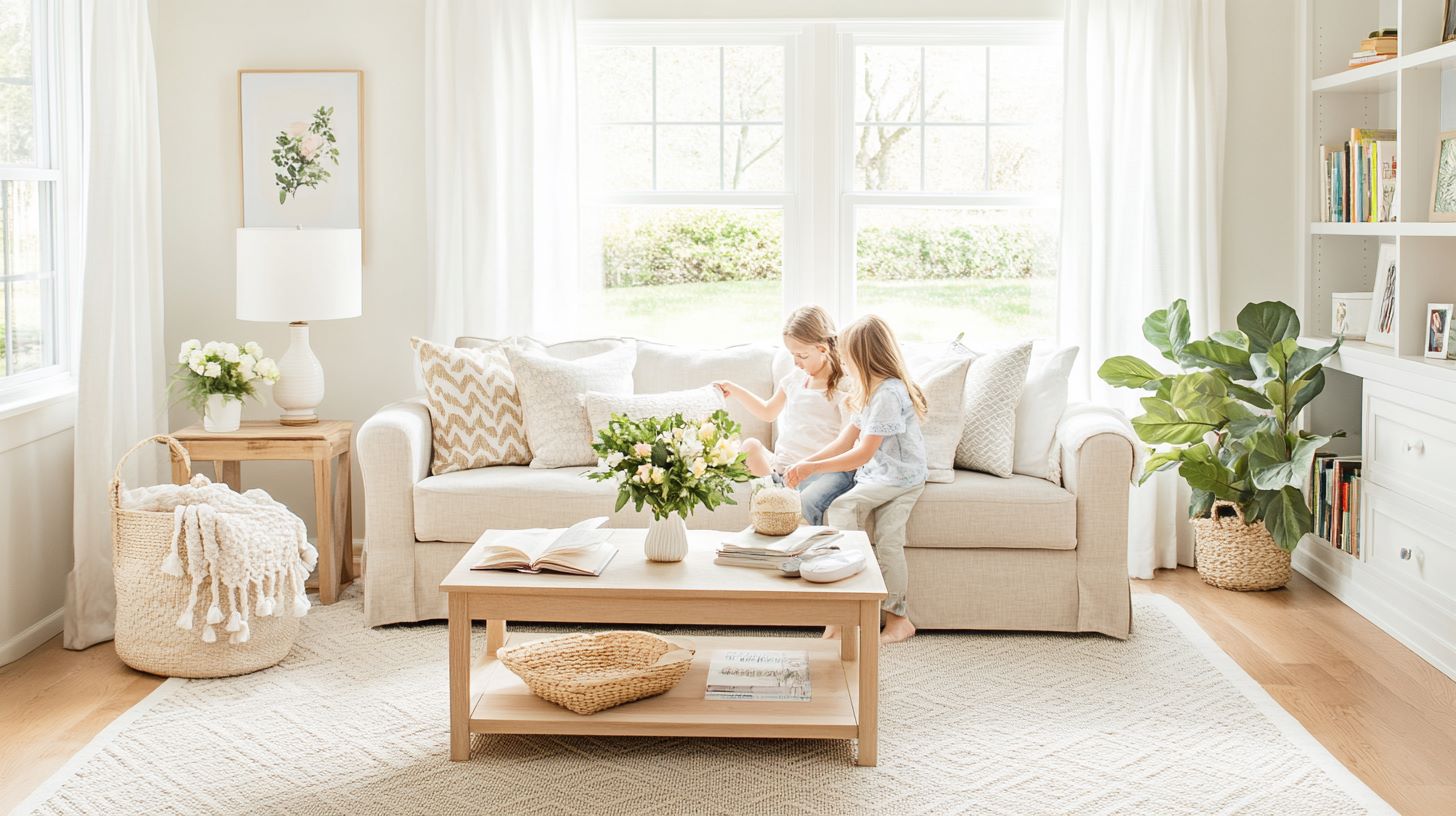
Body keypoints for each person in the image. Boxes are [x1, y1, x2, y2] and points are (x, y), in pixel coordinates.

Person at [785, 315, 928, 644]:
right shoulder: (867, 391)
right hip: (882, 476)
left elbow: (861, 453)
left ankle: (854, 612)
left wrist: (812, 470)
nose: (843, 364)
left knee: (842, 507)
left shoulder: (889, 394)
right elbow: (844, 442)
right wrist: (807, 462)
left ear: (864, 358)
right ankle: (880, 619)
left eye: (847, 357)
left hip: (901, 478)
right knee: (890, 543)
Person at [713, 305, 854, 525]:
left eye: (802, 355)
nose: (796, 362)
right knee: (750, 446)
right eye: (792, 355)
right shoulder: (795, 379)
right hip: (783, 470)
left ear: (823, 349)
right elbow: (768, 412)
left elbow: (846, 443)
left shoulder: (844, 386)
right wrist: (735, 389)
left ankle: (781, 509)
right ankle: (775, 501)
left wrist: (807, 464)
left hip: (822, 470)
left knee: (806, 502)